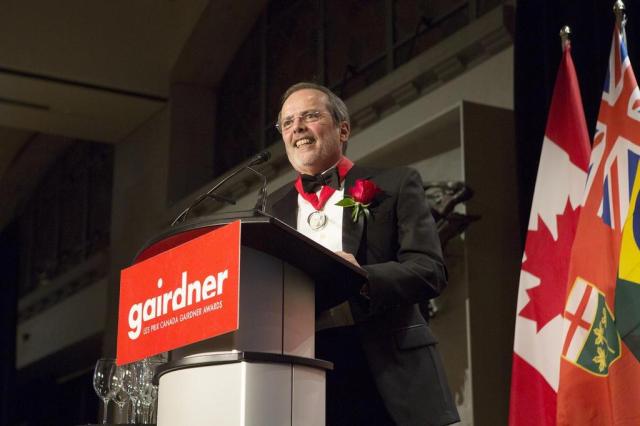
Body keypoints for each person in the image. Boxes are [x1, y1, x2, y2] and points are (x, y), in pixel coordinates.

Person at [266, 82, 459, 426]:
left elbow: (430, 270)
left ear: (343, 129)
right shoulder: (269, 211)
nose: (297, 127)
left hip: (386, 367)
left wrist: (364, 277)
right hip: (307, 370)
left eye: (310, 116)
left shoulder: (395, 184)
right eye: (288, 122)